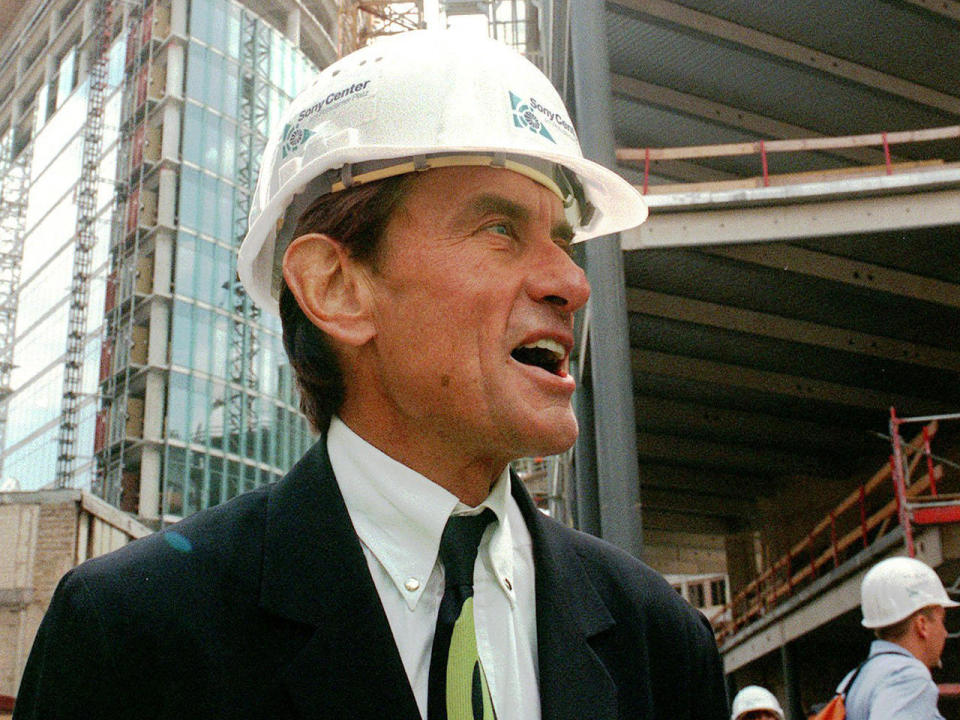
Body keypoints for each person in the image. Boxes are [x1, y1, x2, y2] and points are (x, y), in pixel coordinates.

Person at [13, 30, 728, 720]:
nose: (572, 282)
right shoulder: (134, 637)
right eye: (500, 229)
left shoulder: (659, 643)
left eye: (563, 239)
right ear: (334, 288)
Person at [838, 556, 958, 720]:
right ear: (921, 624)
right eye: (941, 620)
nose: (944, 632)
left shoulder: (855, 679)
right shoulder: (907, 676)